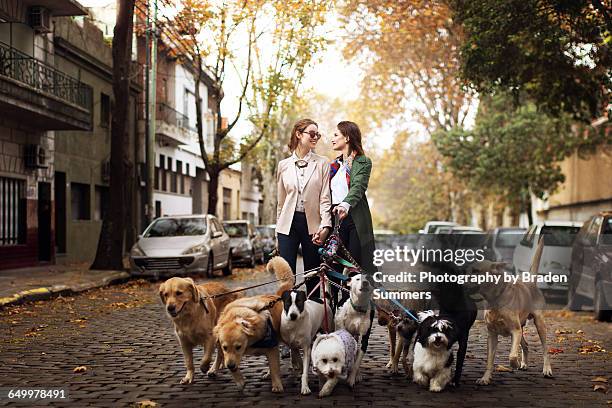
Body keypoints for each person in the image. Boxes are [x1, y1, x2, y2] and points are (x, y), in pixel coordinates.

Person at [276, 118, 332, 296]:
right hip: (287, 225)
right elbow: (281, 202)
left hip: (313, 225)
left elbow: (325, 198)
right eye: (312, 133)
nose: (316, 137)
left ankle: (314, 318)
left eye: (318, 134)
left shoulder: (323, 163)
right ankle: (287, 318)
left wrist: (325, 226)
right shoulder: (283, 165)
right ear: (299, 135)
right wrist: (278, 231)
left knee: (313, 274)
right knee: (286, 278)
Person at [329, 121, 376, 275]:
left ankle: (352, 299)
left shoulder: (363, 162)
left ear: (347, 138)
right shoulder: (333, 166)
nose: (332, 138)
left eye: (336, 135)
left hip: (353, 218)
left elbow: (358, 187)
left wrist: (345, 204)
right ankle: (334, 299)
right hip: (334, 218)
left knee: (353, 267)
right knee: (333, 265)